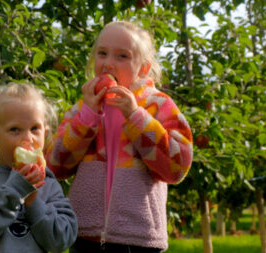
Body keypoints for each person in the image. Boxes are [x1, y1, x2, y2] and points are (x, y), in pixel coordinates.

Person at [45, 21, 193, 253]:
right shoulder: (85, 108)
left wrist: (136, 116)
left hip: (138, 236)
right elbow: (54, 166)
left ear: (143, 69)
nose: (108, 64)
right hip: (86, 235)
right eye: (102, 53)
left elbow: (177, 167)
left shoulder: (158, 105)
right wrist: (86, 118)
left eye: (122, 56)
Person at [0, 82, 78, 253]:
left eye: (34, 128)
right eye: (15, 129)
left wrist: (33, 201)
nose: (28, 138)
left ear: (45, 134)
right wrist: (14, 192)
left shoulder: (48, 184)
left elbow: (61, 240)